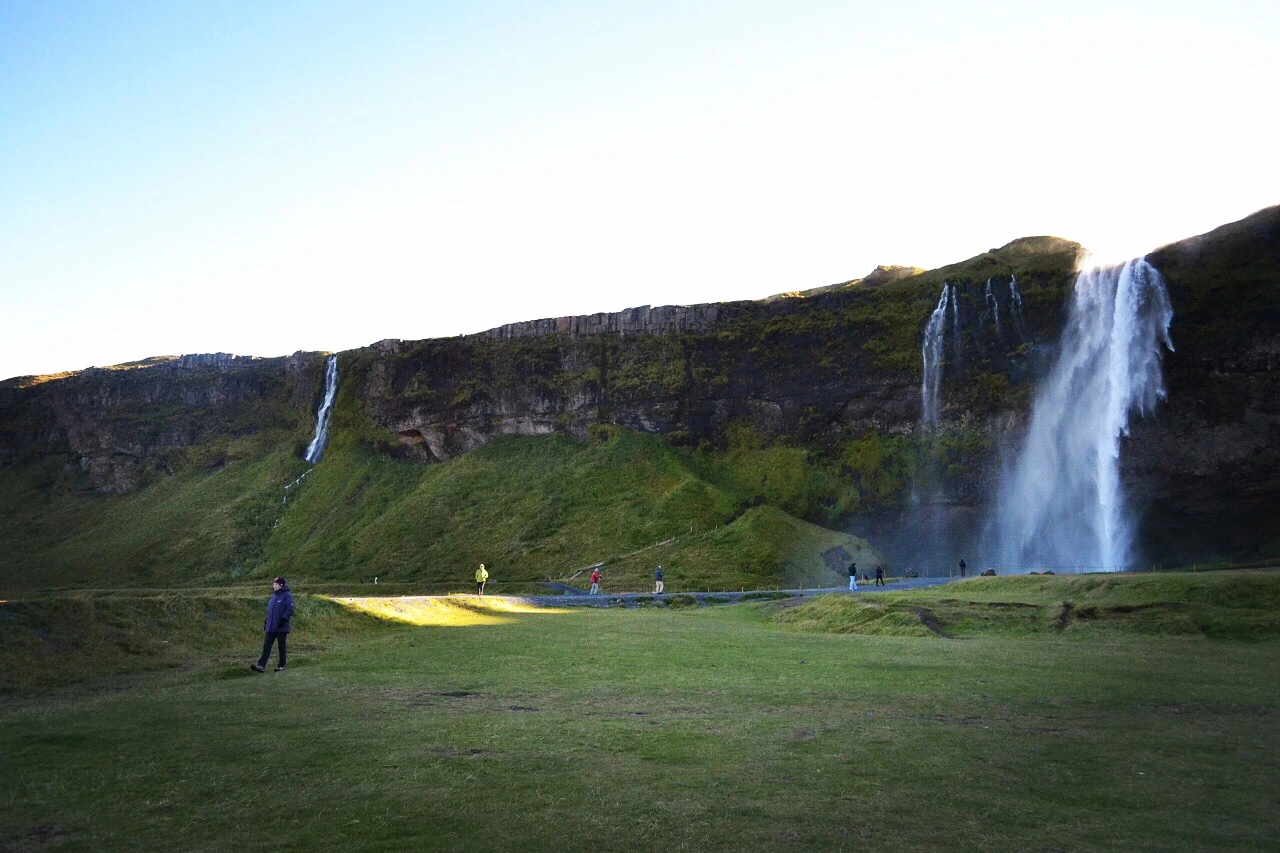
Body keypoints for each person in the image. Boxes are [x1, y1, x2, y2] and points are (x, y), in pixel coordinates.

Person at [251, 576, 294, 673]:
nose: (274, 586)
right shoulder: (273, 596)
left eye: (276, 584)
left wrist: (283, 619)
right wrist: (267, 621)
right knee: (266, 646)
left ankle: (281, 666)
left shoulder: (287, 595)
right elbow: (270, 611)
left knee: (281, 647)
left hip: (281, 627)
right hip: (271, 627)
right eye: (273, 584)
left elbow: (290, 609)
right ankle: (261, 666)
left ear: (281, 585)